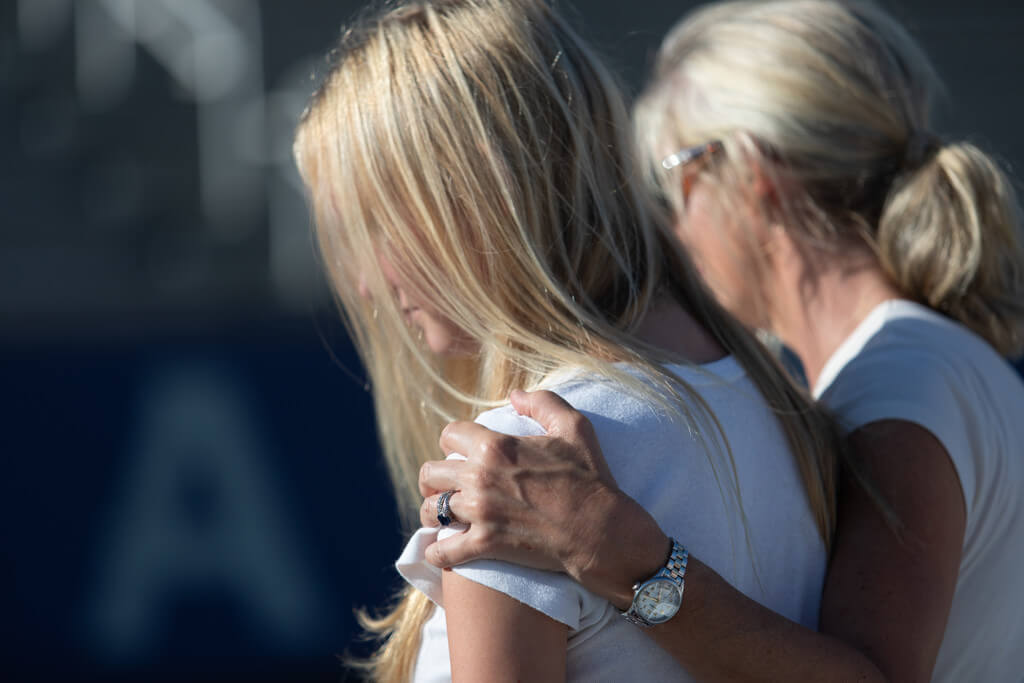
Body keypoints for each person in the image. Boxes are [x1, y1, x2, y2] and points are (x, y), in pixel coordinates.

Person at [418, 1, 1024, 681]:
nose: (671, 226)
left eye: (674, 179)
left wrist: (611, 545)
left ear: (754, 171)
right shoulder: (921, 364)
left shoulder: (894, 390)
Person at [293, 1, 848, 680]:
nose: (366, 285)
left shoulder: (515, 480)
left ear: (476, 191)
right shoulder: (772, 399)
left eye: (379, 226)